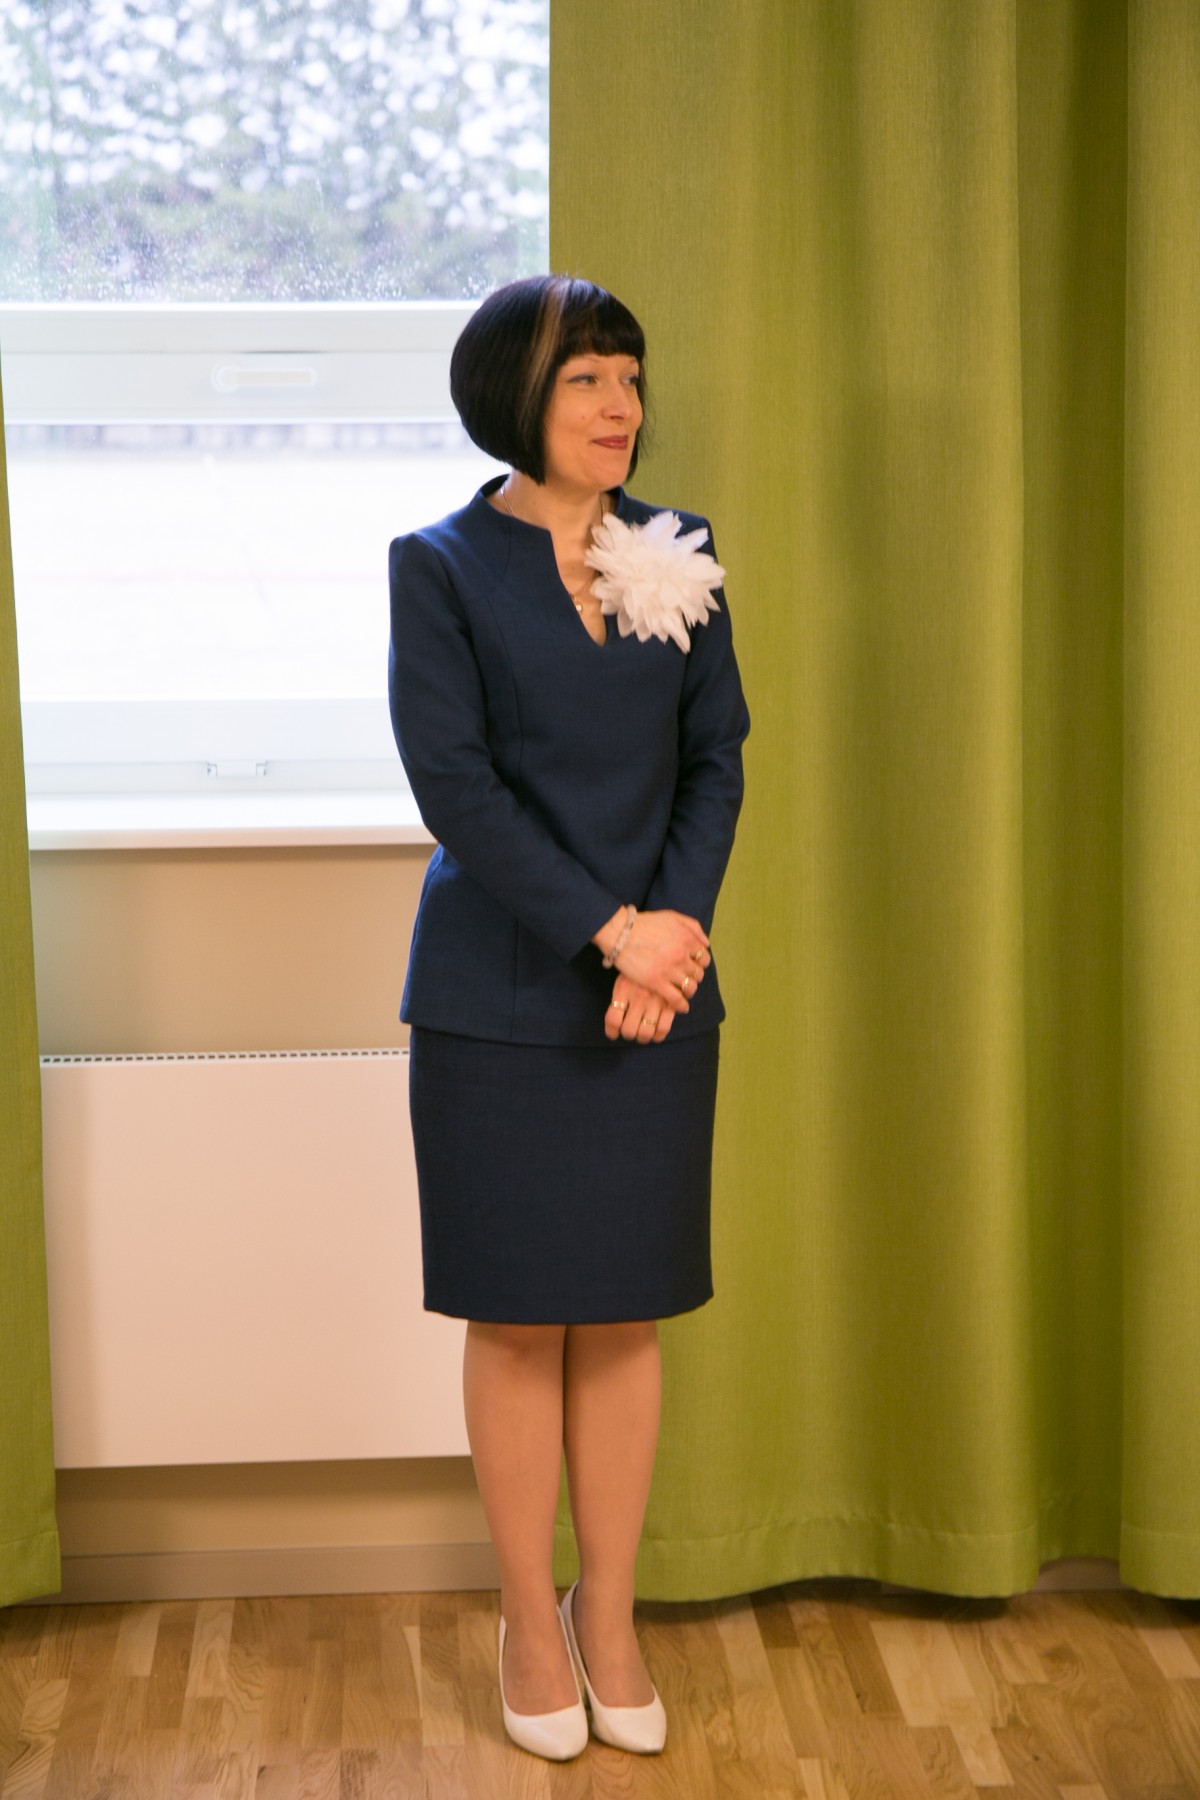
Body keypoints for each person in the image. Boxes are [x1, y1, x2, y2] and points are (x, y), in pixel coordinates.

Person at [387, 273, 749, 1761]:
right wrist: (612, 934)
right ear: (516, 397)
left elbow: (717, 759)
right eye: (588, 377)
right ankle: (526, 1622)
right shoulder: (437, 566)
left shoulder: (681, 549)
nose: (621, 406)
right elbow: (455, 786)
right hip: (500, 996)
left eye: (630, 377)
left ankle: (611, 1614)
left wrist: (668, 943)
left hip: (659, 999)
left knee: (623, 1313)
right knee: (522, 1317)